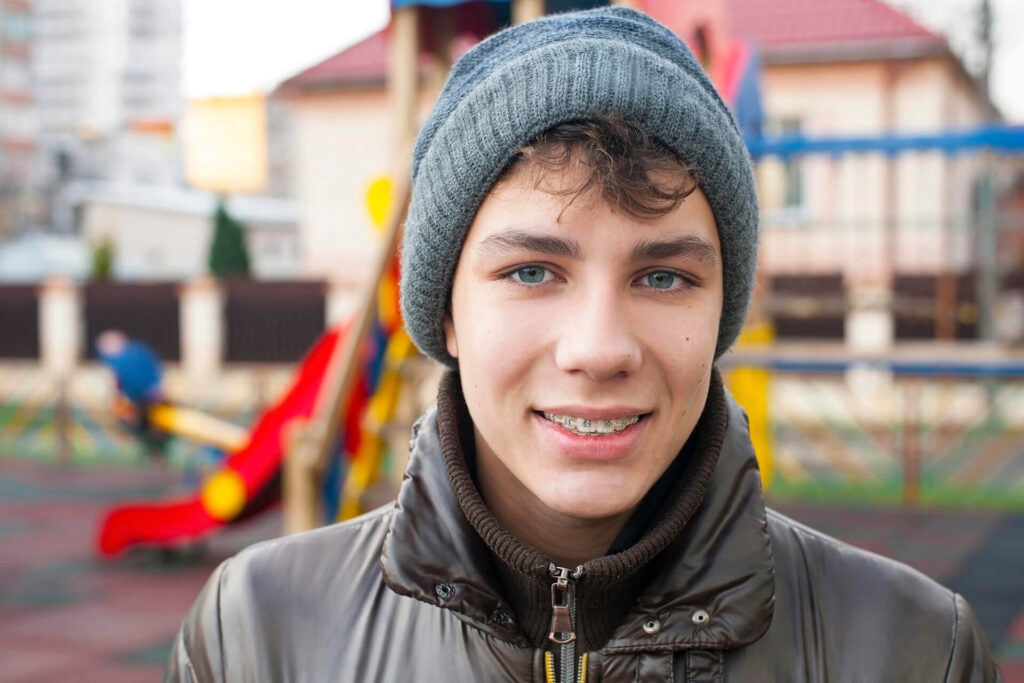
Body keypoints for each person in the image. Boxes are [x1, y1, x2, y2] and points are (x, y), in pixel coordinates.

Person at [165, 8, 1001, 681]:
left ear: (722, 311)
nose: (599, 349)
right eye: (532, 271)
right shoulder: (255, 634)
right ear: (445, 313)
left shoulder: (915, 648)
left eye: (664, 277)